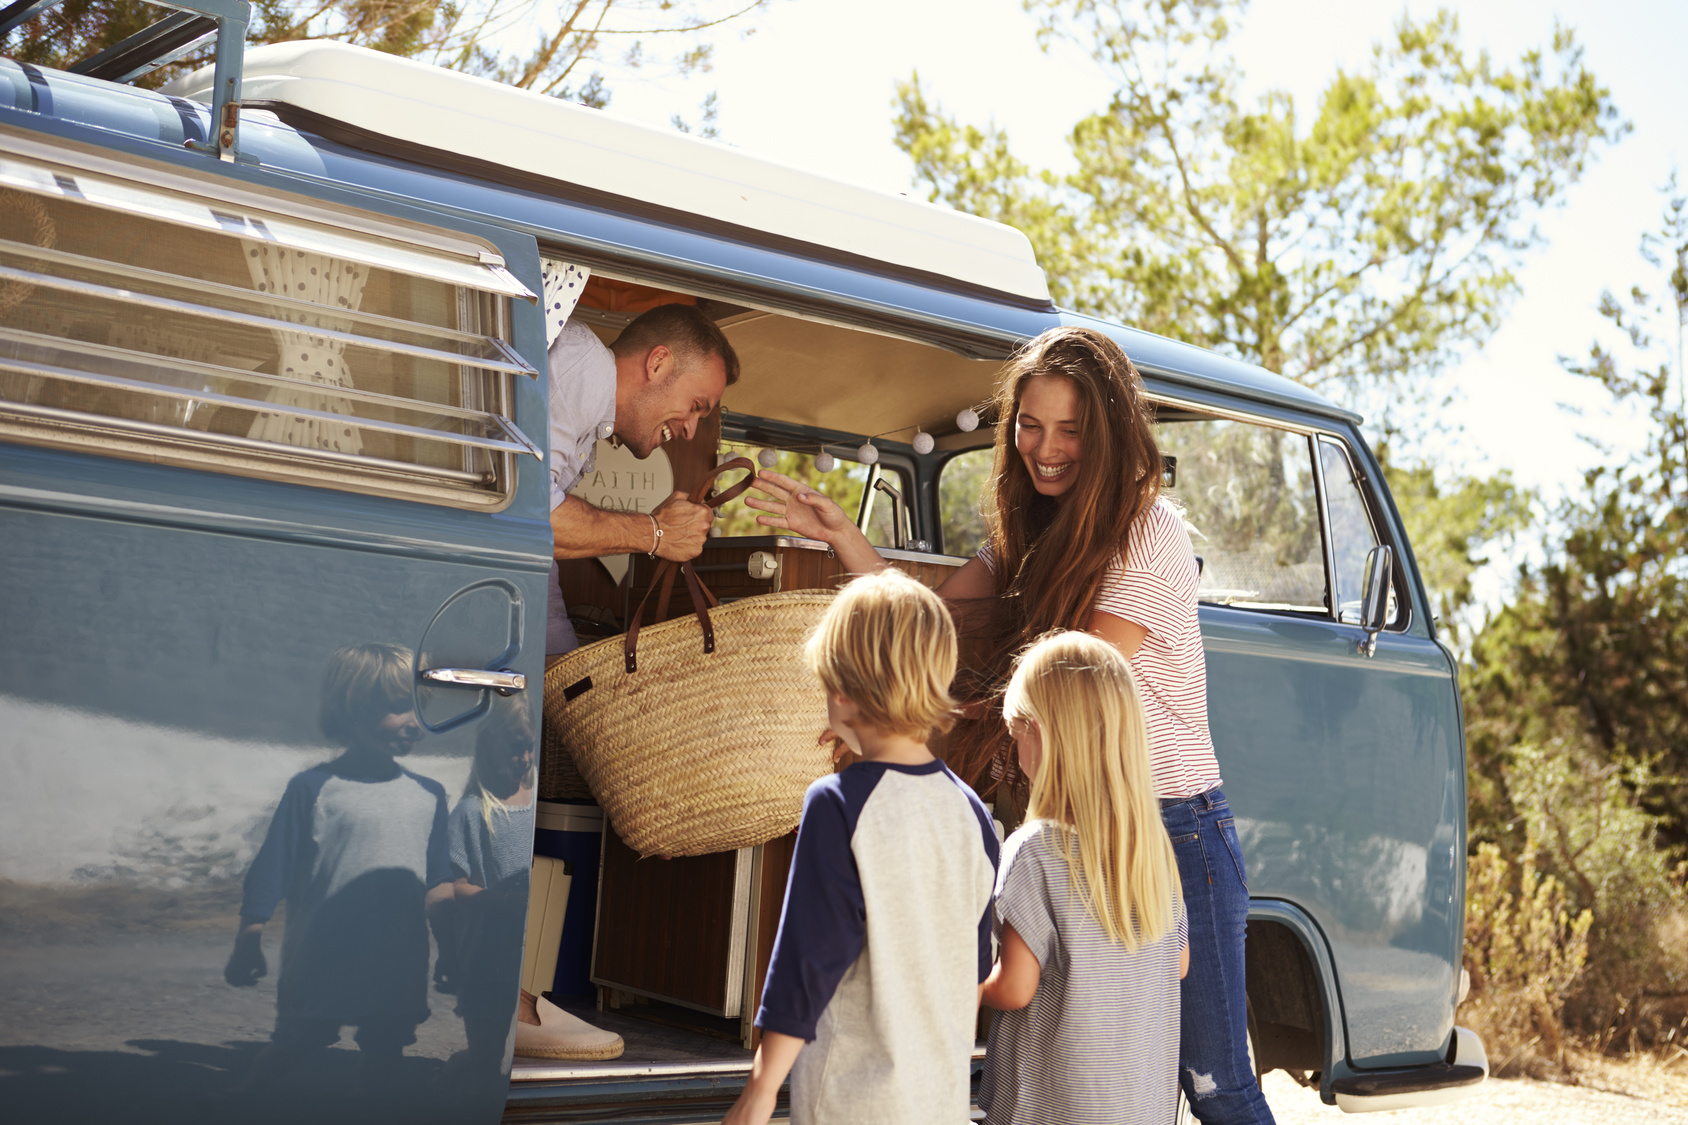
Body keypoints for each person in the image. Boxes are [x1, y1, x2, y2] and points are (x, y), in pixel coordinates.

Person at [747, 325, 1274, 1123]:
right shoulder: (1027, 531)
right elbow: (935, 623)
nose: (1046, 448)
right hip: (1076, 820)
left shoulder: (1147, 530)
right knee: (1072, 1057)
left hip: (1168, 826)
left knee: (1214, 1083)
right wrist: (846, 540)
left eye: (1069, 430)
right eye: (1030, 425)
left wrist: (904, 719)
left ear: (1106, 431)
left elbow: (1070, 688)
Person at [721, 569, 999, 1125]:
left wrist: (759, 1092)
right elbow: (973, 969)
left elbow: (807, 962)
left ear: (843, 690)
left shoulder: (838, 805)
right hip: (938, 1102)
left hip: (853, 1101)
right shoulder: (972, 812)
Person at [978, 630, 1188, 1125]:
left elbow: (1015, 988)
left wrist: (957, 986)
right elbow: (1177, 963)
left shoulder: (1034, 850)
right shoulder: (1152, 850)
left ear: (1044, 735)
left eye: (1016, 735)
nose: (1013, 755)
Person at [225, 643, 451, 1092]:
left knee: (386, 1046)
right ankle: (242, 1102)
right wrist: (249, 938)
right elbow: (274, 865)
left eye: (419, 708)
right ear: (352, 710)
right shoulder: (313, 788)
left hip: (397, 956)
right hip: (322, 954)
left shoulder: (430, 794)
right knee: (298, 1039)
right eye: (398, 708)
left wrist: (451, 948)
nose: (414, 721)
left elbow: (437, 881)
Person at [546, 303, 742, 655]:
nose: (690, 430)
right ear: (657, 363)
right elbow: (527, 520)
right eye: (695, 406)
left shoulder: (587, 402)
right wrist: (657, 533)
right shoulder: (582, 368)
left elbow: (534, 552)